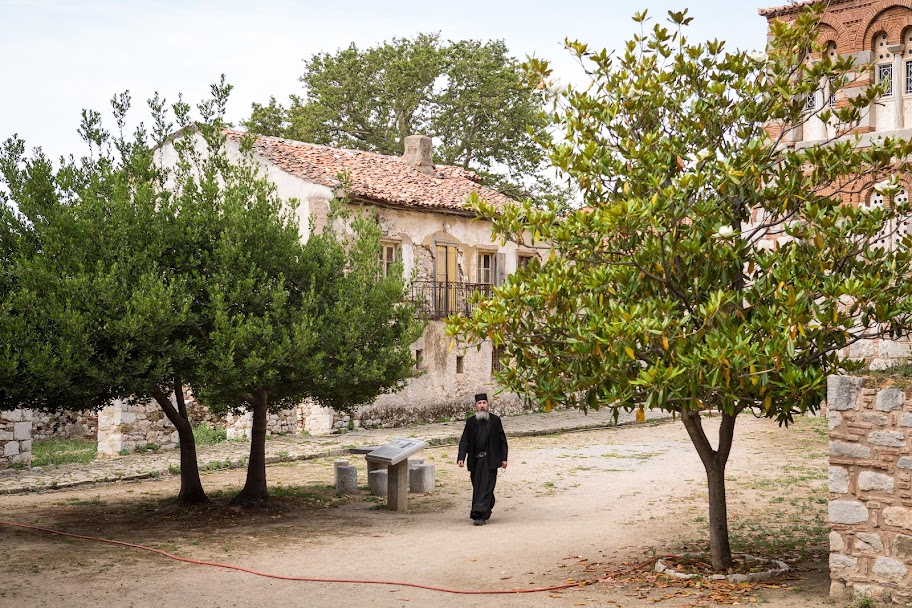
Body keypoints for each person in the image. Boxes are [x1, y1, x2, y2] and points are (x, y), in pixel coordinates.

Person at [457, 392, 508, 525]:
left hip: (490, 459)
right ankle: (488, 503)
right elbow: (464, 441)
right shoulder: (471, 422)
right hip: (476, 460)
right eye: (479, 403)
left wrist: (504, 458)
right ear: (476, 406)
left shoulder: (495, 421)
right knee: (478, 486)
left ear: (488, 404)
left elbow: (502, 440)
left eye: (484, 403)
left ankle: (479, 515)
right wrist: (461, 457)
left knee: (486, 486)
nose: (482, 406)